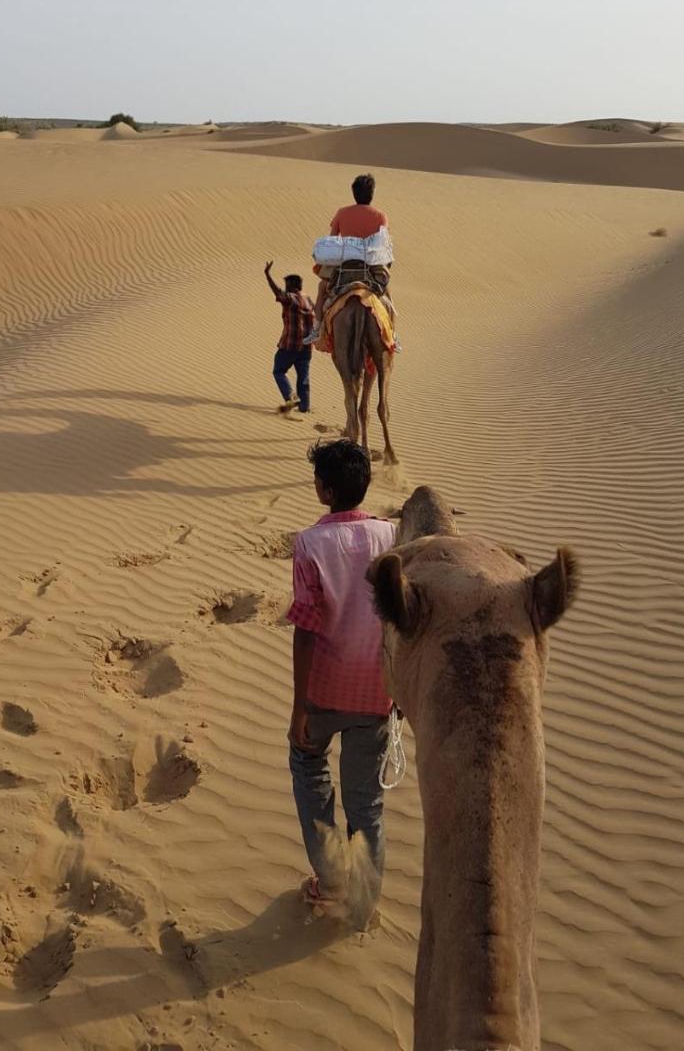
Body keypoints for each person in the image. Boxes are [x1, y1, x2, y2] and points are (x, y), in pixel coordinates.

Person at [287, 439, 396, 907]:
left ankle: (330, 882)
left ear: (325, 491)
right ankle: (364, 902)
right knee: (366, 804)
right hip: (377, 694)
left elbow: (306, 631)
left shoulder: (310, 544)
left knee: (308, 765)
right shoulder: (393, 537)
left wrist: (298, 709)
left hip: (325, 691)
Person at [302, 173, 394, 346]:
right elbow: (383, 244)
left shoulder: (342, 213)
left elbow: (332, 239)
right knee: (387, 293)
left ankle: (316, 329)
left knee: (322, 288)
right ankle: (392, 334)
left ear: (354, 193)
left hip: (345, 267)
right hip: (370, 269)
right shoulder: (381, 216)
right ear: (372, 194)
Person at [264, 261, 314, 413]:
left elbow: (278, 293)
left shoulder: (291, 298)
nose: (285, 287)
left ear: (293, 286)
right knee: (303, 377)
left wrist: (267, 275)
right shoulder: (308, 299)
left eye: (287, 285)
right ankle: (304, 407)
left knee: (278, 371)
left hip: (290, 346)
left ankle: (290, 397)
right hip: (306, 347)